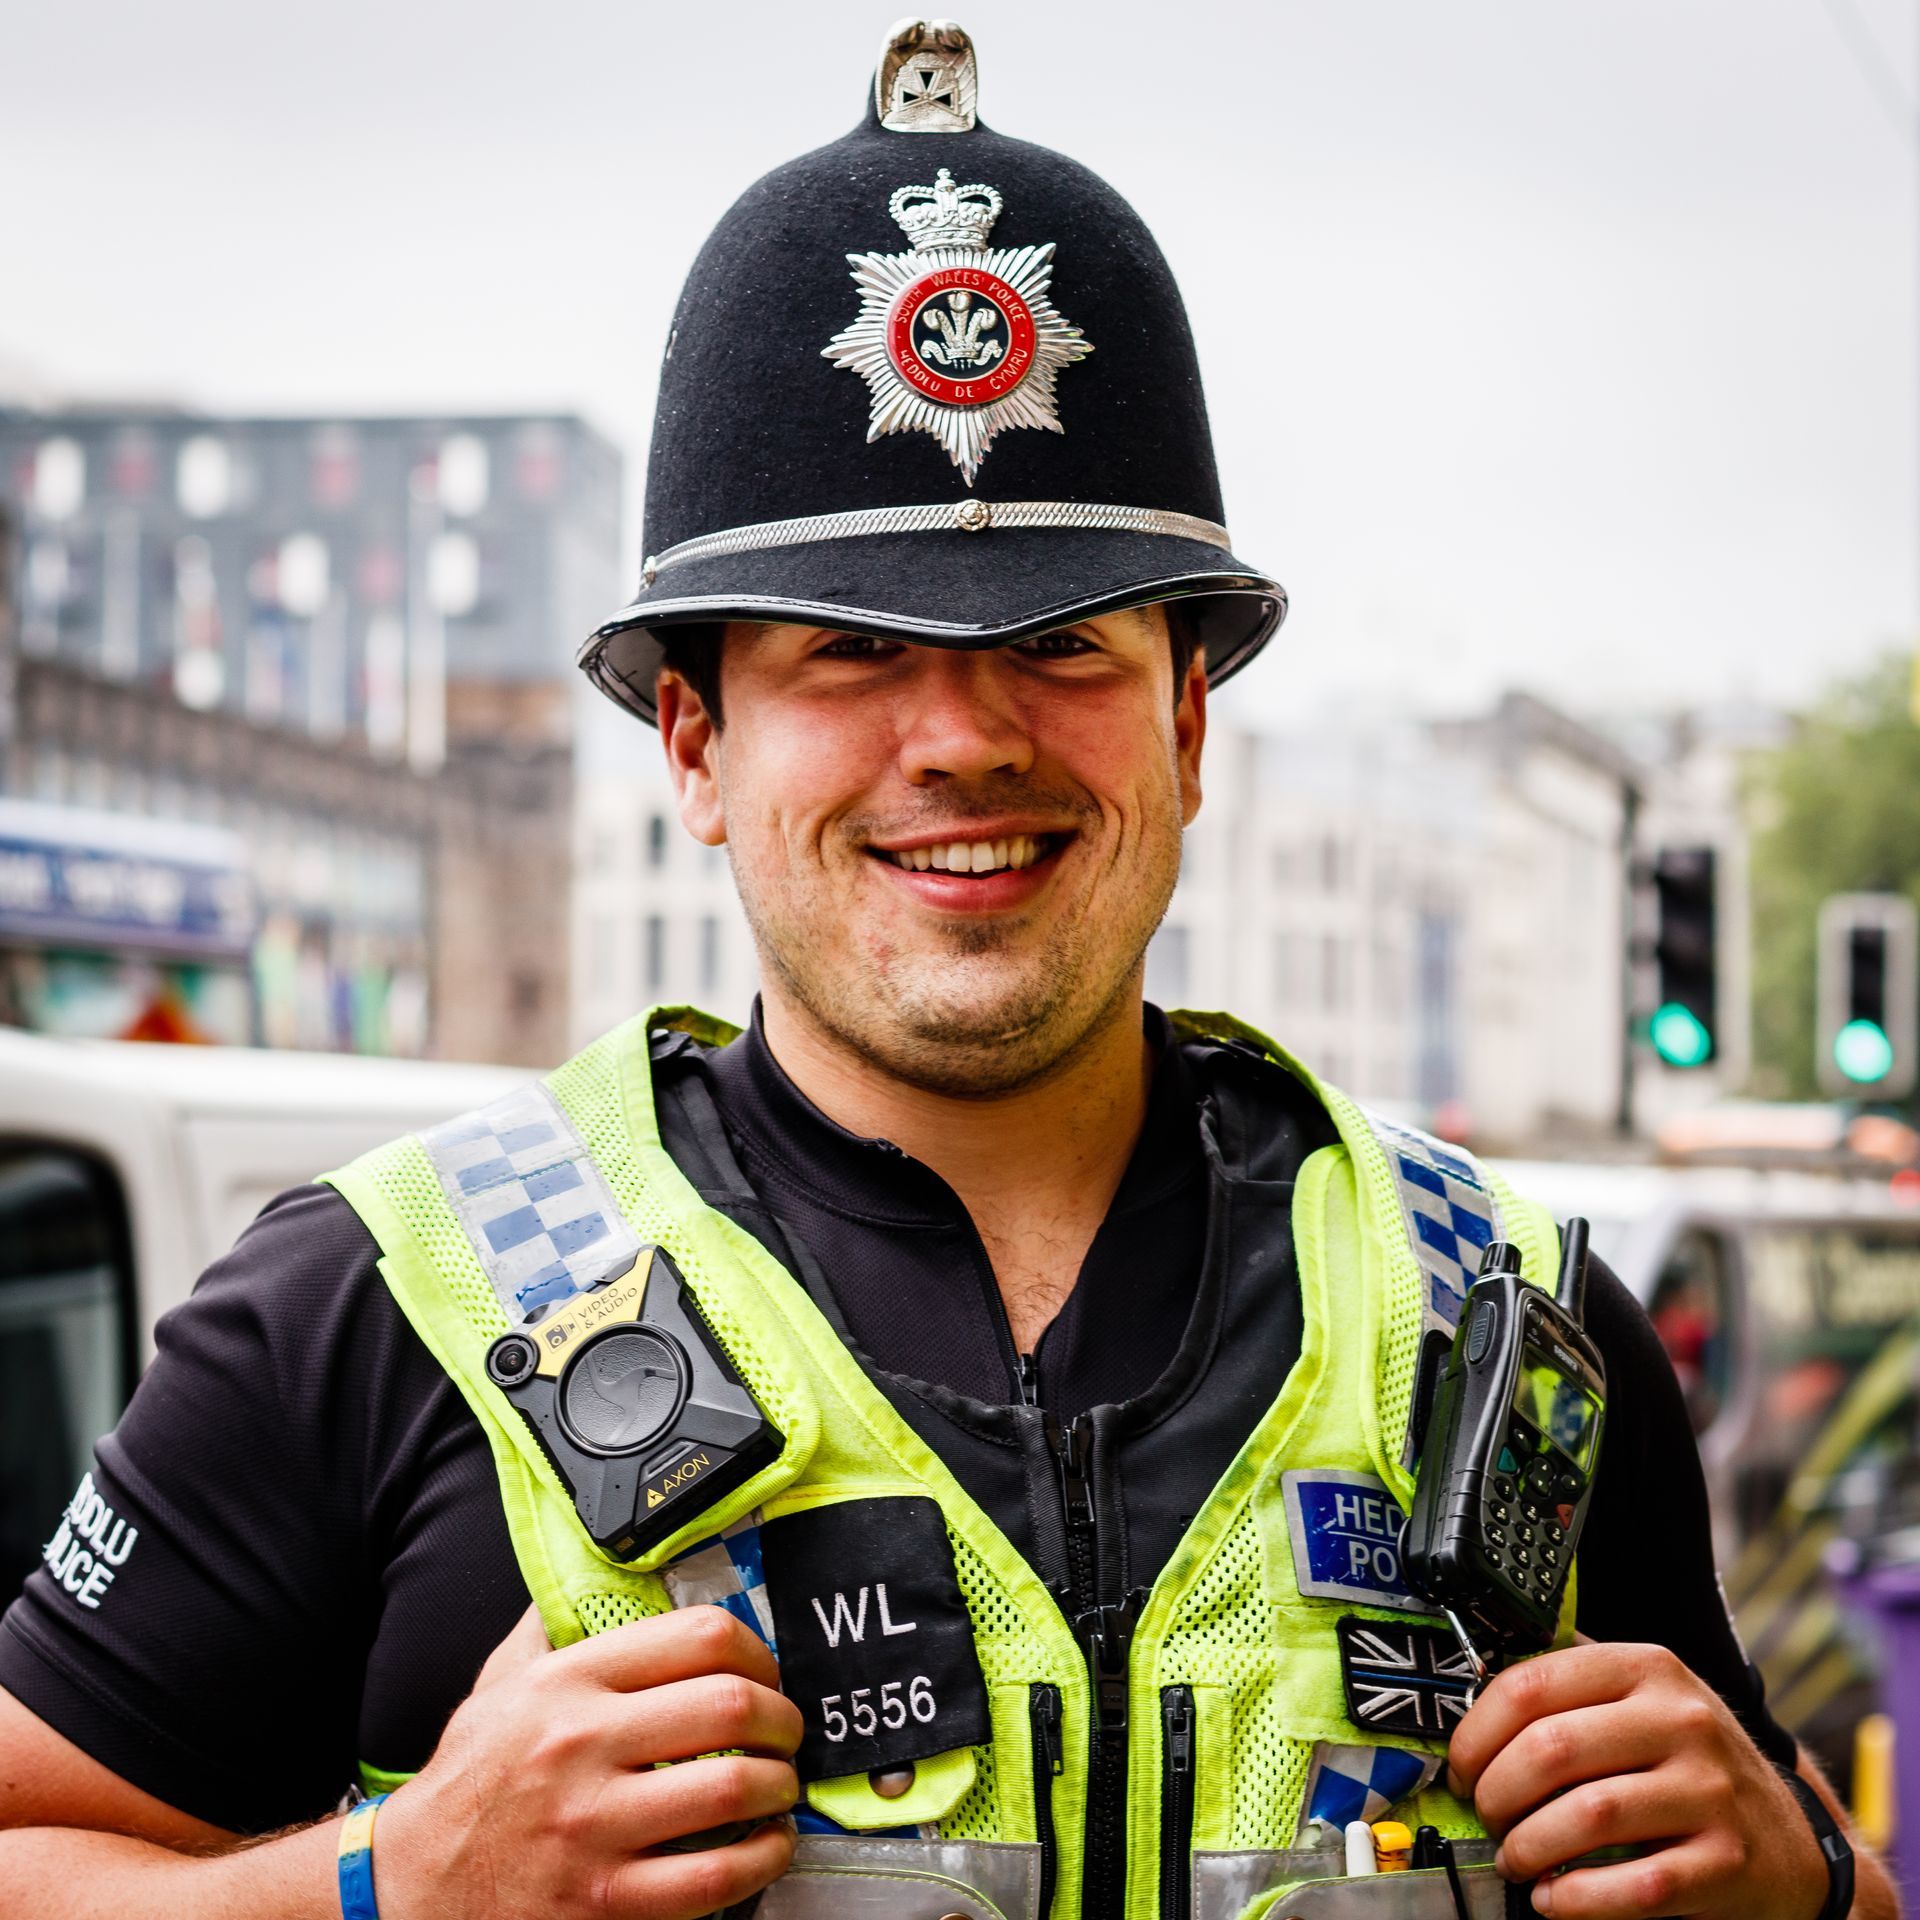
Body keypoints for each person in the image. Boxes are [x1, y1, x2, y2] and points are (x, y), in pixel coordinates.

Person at [0, 20, 1896, 1920]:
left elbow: (1790, 1846)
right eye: (845, 651)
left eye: (1066, 646)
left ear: (1189, 728)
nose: (964, 739)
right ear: (693, 745)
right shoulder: (364, 1316)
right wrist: (387, 1886)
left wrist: (1809, 1881)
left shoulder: (1513, 1333)